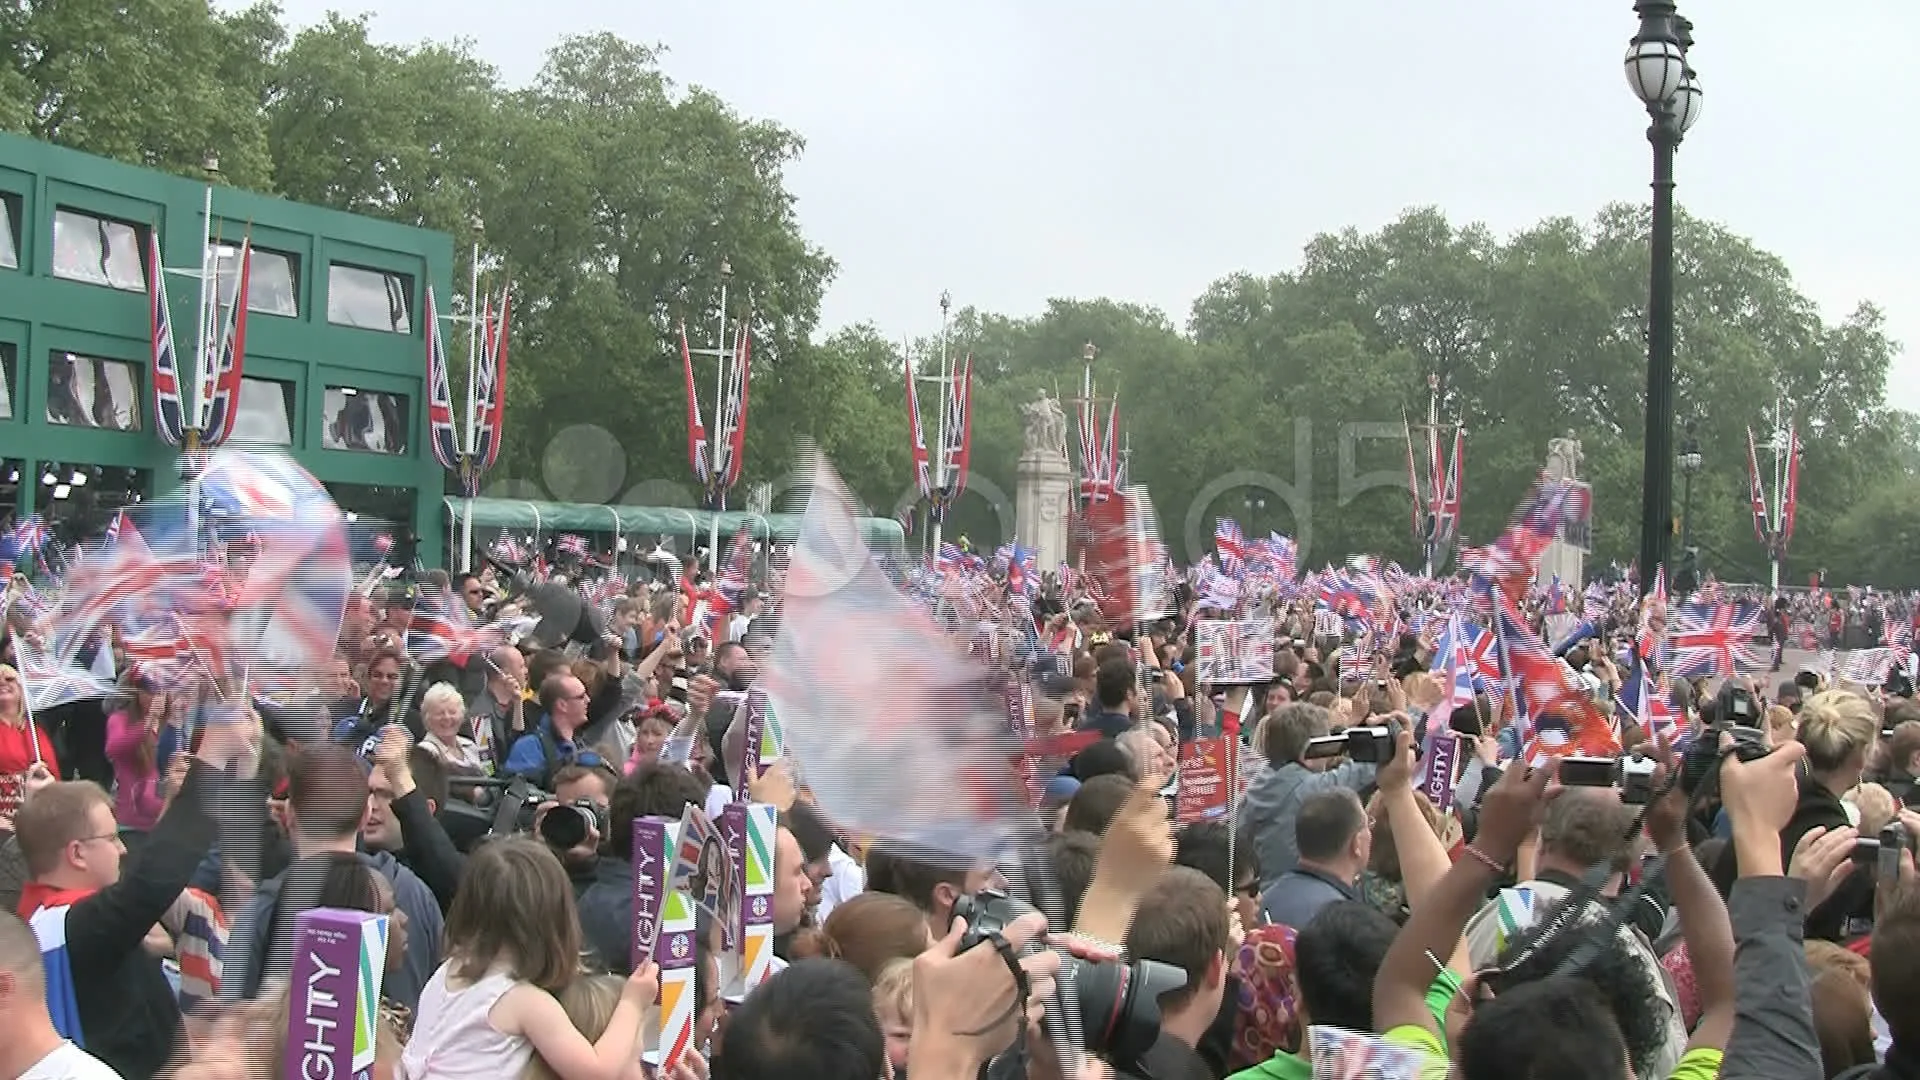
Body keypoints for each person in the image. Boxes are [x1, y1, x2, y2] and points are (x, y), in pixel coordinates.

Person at [13, 709, 240, 1080]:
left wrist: (48, 804)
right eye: (111, 837)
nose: (122, 849)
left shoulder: (44, 915)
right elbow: (151, 881)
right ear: (76, 853)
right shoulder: (78, 925)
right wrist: (212, 758)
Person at [400, 838, 657, 1080]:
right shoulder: (525, 1002)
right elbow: (596, 1071)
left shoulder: (447, 971)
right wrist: (633, 1003)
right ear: (556, 921)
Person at [1242, 703, 1376, 887]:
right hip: (1291, 892)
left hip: (1258, 891)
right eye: (1325, 746)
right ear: (1308, 754)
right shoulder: (1308, 789)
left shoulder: (1255, 780)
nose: (1330, 755)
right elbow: (1366, 769)